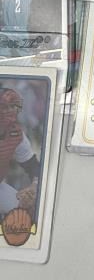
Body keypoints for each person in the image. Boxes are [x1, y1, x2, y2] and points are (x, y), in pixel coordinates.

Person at [0, 86, 40, 219]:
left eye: (12, 107)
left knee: (26, 210)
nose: (9, 111)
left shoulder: (15, 133)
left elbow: (32, 165)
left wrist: (34, 186)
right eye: (4, 107)